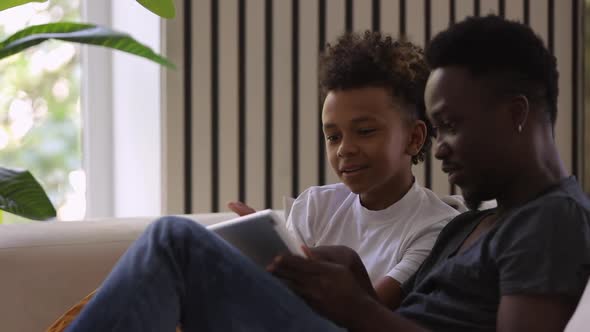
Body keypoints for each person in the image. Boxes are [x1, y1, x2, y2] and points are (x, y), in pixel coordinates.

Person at [67, 15, 590, 332]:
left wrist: (356, 308)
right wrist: (349, 280)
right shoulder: (473, 223)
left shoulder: (551, 220)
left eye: (450, 126)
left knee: (175, 241)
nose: (441, 148)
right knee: (189, 255)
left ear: (516, 114)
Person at [230, 31, 458, 309]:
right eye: (333, 137)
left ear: (414, 138)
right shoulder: (314, 206)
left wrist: (285, 266)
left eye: (364, 131)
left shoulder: (437, 227)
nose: (344, 149)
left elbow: (371, 313)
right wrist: (263, 251)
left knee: (175, 234)